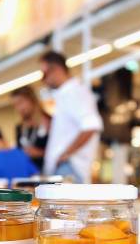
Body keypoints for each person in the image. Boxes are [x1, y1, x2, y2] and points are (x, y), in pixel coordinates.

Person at [39, 51, 103, 183]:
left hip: (69, 168)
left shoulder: (74, 92)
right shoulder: (66, 94)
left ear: (57, 69)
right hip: (65, 167)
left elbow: (91, 125)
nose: (43, 79)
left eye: (44, 74)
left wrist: (65, 155)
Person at [10, 86, 51, 171]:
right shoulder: (20, 128)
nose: (19, 108)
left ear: (32, 99)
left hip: (51, 173)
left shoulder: (49, 122)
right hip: (29, 176)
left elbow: (61, 152)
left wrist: (40, 153)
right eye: (15, 105)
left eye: (20, 102)